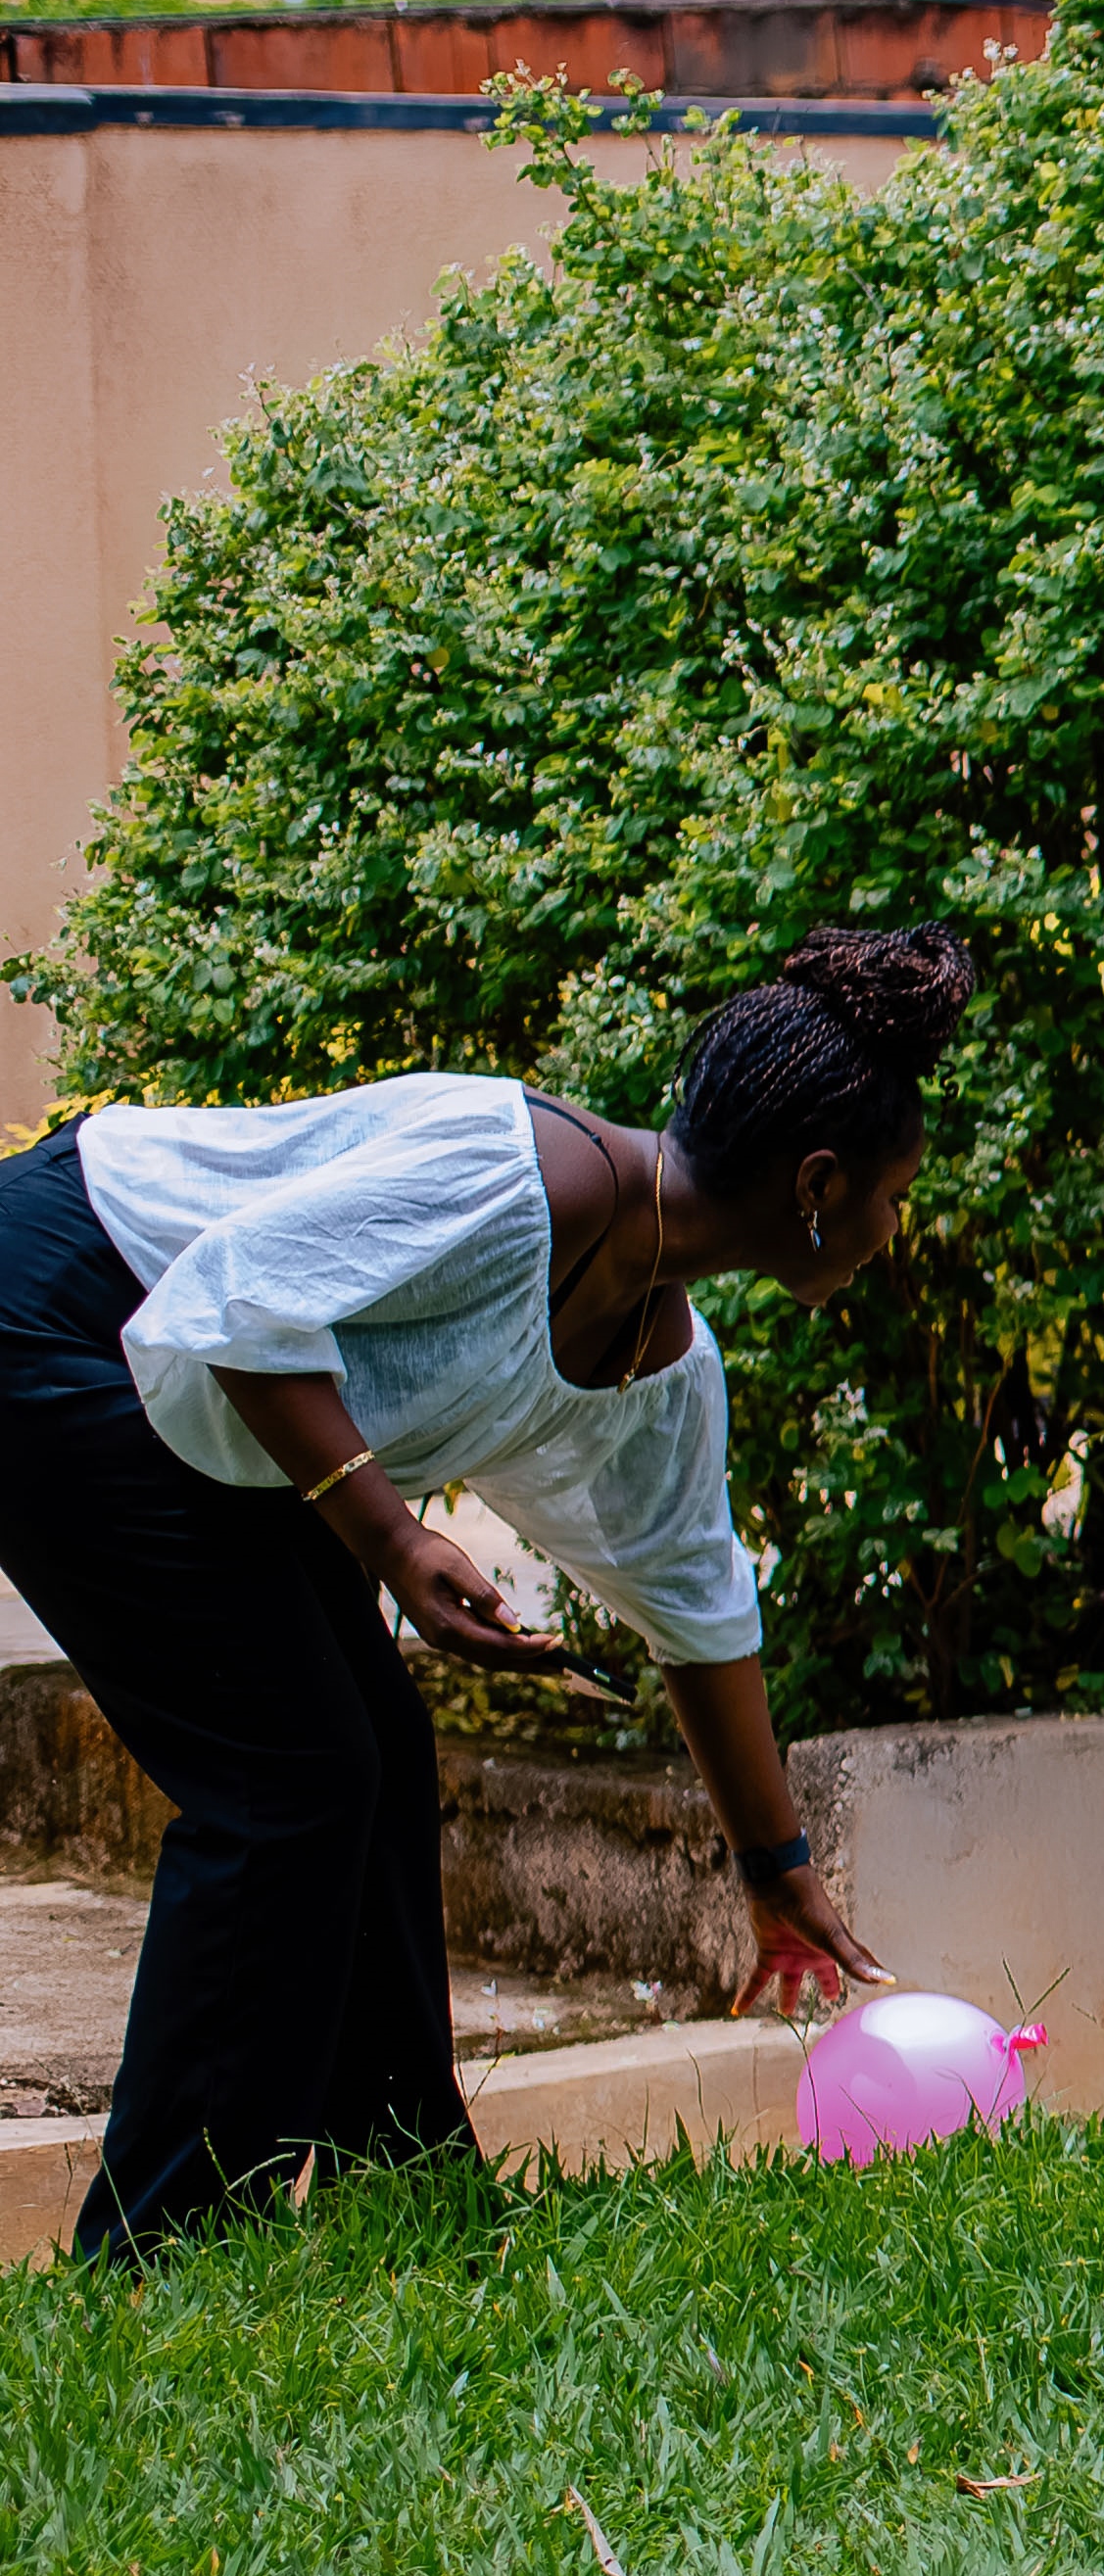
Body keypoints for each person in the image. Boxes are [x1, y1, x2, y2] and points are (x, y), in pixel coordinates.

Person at [0, 929, 949, 2264]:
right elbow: (235, 1297)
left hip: (199, 1378)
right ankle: (164, 2244)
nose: (893, 1233)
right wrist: (392, 1539)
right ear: (817, 1183)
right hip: (62, 1298)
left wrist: (775, 1870)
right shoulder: (518, 1180)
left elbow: (697, 1606)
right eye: (894, 1198)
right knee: (290, 1775)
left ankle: (402, 2184)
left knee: (377, 1751)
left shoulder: (664, 1359)